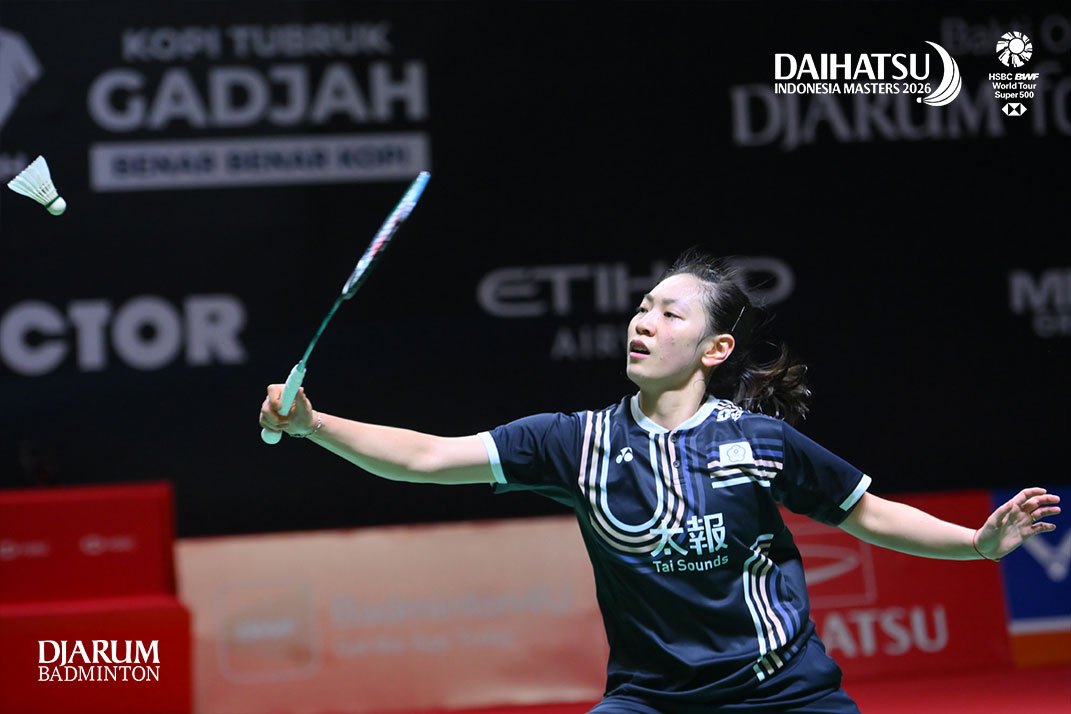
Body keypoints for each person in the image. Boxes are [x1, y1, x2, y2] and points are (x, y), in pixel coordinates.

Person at [259, 249, 1060, 714]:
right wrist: (315, 425)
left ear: (715, 349)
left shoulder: (759, 442)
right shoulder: (573, 442)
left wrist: (976, 544)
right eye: (642, 308)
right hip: (652, 699)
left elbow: (867, 515)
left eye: (671, 314)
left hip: (780, 695)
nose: (644, 321)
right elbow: (426, 458)